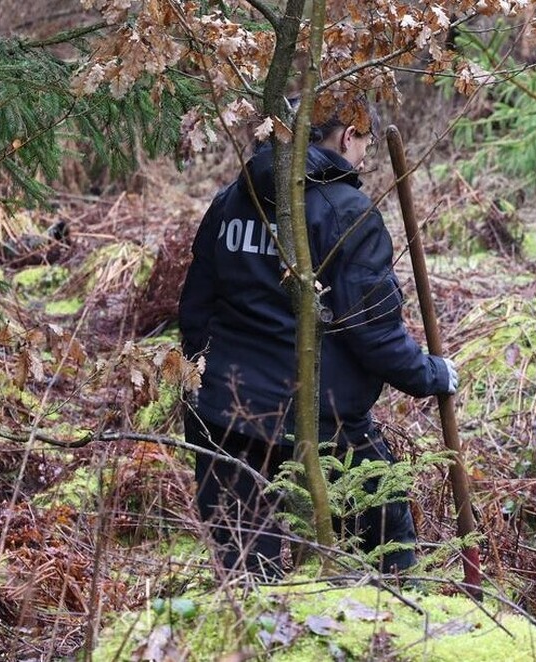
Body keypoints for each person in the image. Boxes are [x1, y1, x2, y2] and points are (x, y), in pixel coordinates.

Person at [178, 95, 457, 580]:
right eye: (365, 142)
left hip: (223, 411)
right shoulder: (347, 212)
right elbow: (373, 330)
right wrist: (432, 374)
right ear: (349, 135)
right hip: (320, 420)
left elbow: (195, 311)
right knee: (385, 549)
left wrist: (214, 384)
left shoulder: (229, 200)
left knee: (246, 576)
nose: (367, 155)